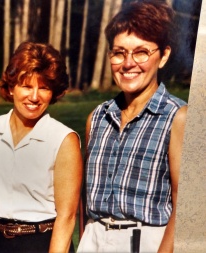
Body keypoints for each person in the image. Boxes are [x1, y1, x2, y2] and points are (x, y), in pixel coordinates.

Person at [77, 0, 187, 252]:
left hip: (145, 242)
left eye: (141, 52)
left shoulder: (177, 117)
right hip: (93, 240)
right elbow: (85, 200)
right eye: (119, 52)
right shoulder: (97, 118)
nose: (128, 64)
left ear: (164, 56)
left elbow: (184, 206)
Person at [0, 41, 83, 253]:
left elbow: (67, 217)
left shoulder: (63, 139)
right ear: (11, 87)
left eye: (44, 88)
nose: (34, 97)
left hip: (42, 242)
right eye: (26, 86)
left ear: (53, 92)